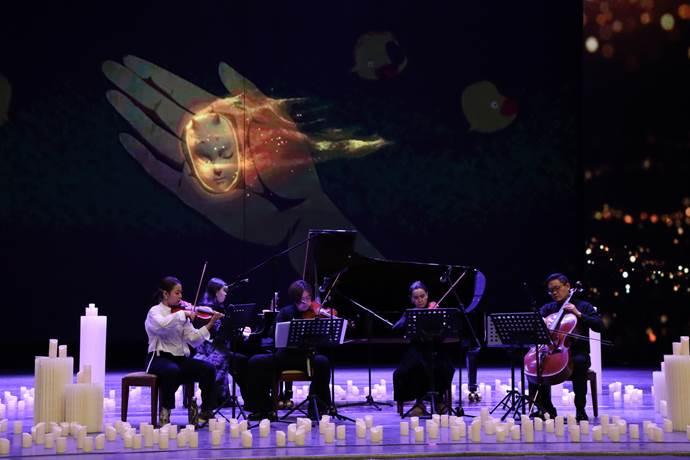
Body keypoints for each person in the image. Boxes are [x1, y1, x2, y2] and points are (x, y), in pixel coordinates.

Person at [244, 280, 332, 421]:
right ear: (295, 299)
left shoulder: (315, 314)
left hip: (306, 357)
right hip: (285, 357)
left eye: (308, 298)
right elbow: (274, 337)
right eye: (302, 299)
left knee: (323, 362)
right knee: (255, 362)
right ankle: (263, 408)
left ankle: (318, 407)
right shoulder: (285, 313)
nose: (306, 302)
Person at [145, 276, 223, 426]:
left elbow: (193, 339)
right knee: (171, 370)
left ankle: (206, 411)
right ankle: (165, 411)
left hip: (179, 359)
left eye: (181, 293)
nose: (181, 296)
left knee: (208, 369)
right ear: (165, 294)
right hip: (158, 358)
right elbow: (162, 326)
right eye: (177, 293)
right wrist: (183, 314)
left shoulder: (181, 313)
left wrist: (211, 323)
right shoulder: (155, 311)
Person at [528, 273, 604, 422]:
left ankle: (580, 410)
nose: (554, 293)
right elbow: (534, 327)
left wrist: (579, 314)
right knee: (536, 365)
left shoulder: (583, 306)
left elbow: (599, 326)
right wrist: (541, 322)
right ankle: (547, 409)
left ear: (567, 286)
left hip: (577, 353)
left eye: (557, 288)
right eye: (551, 290)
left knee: (580, 363)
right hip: (551, 351)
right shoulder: (548, 308)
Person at [393, 281, 455, 416]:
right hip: (417, 348)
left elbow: (447, 329)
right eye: (416, 297)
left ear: (427, 295)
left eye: (422, 296)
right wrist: (410, 318)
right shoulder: (410, 313)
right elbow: (396, 327)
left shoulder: (436, 309)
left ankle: (439, 400)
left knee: (445, 368)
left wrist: (435, 313)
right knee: (408, 370)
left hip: (436, 348)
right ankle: (419, 403)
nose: (420, 300)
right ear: (411, 299)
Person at [192, 277, 250, 408]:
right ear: (216, 291)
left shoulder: (219, 308)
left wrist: (240, 329)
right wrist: (237, 331)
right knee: (240, 363)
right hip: (208, 350)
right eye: (224, 291)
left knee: (241, 362)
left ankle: (247, 400)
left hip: (220, 348)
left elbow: (224, 332)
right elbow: (216, 334)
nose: (225, 294)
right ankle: (223, 398)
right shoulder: (206, 309)